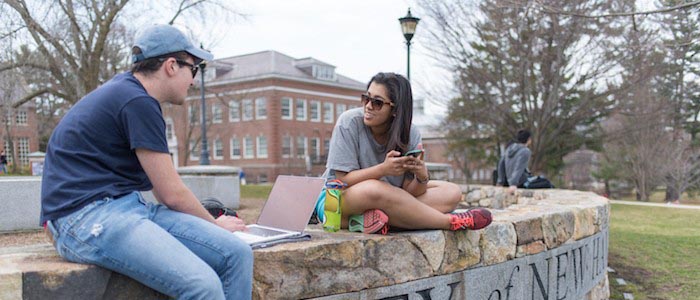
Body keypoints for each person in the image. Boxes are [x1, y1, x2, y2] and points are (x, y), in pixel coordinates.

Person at [40, 24, 253, 300]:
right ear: (172, 65)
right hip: (85, 219)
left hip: (127, 207)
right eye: (194, 69)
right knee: (202, 285)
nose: (193, 81)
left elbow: (163, 191)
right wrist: (215, 224)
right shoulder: (136, 101)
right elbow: (170, 194)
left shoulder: (128, 94)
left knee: (236, 253)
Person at [324, 72, 492, 234]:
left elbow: (408, 192)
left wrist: (421, 177)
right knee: (375, 189)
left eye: (377, 102)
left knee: (451, 191)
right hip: (337, 200)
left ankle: (373, 221)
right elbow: (341, 180)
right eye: (366, 98)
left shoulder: (410, 133)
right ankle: (449, 222)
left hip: (390, 198)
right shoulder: (348, 123)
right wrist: (382, 170)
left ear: (395, 110)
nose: (368, 106)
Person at [497, 129, 532, 194]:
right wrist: (513, 184)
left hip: (507, 181)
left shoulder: (509, 149)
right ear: (529, 139)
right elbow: (518, 167)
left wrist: (500, 181)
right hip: (520, 182)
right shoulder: (525, 151)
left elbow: (501, 164)